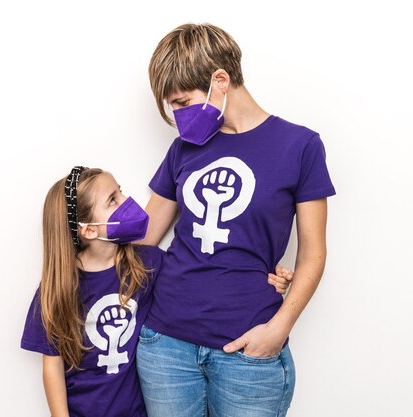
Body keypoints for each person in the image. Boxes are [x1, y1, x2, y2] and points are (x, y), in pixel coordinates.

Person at [136, 23, 336, 417]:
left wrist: (278, 329)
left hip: (248, 352)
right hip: (166, 347)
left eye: (181, 101)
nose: (178, 115)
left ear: (220, 80)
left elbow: (313, 253)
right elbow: (144, 237)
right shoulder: (185, 150)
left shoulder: (300, 146)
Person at [20, 167, 293, 417]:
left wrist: (263, 270)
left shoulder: (146, 264)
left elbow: (199, 272)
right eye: (113, 200)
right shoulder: (58, 289)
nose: (127, 201)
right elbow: (52, 365)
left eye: (120, 190)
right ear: (89, 230)